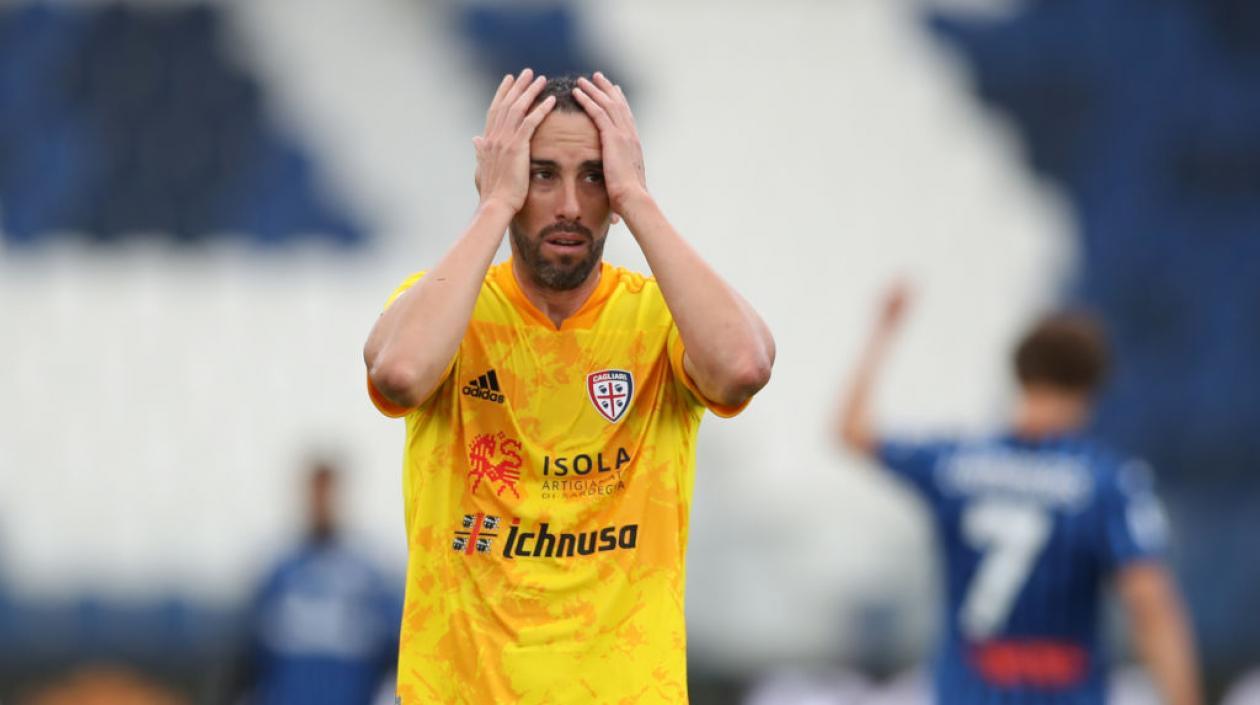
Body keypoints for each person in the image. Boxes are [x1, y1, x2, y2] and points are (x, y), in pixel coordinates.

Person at [362, 70, 774, 704]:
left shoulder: (659, 319)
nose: (570, 206)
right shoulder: (448, 311)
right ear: (506, 173)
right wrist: (492, 207)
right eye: (542, 173)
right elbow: (399, 373)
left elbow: (744, 364)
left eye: (593, 176)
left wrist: (637, 196)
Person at [836, 283, 1202, 705]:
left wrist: (882, 332)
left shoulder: (957, 464)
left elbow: (851, 429)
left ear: (1018, 374)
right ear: (1092, 388)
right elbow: (1149, 602)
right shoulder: (1108, 482)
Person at [231, 461, 400, 705]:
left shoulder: (368, 581)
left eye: (328, 493)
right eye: (316, 492)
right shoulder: (279, 576)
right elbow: (247, 659)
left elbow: (395, 652)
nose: (321, 502)